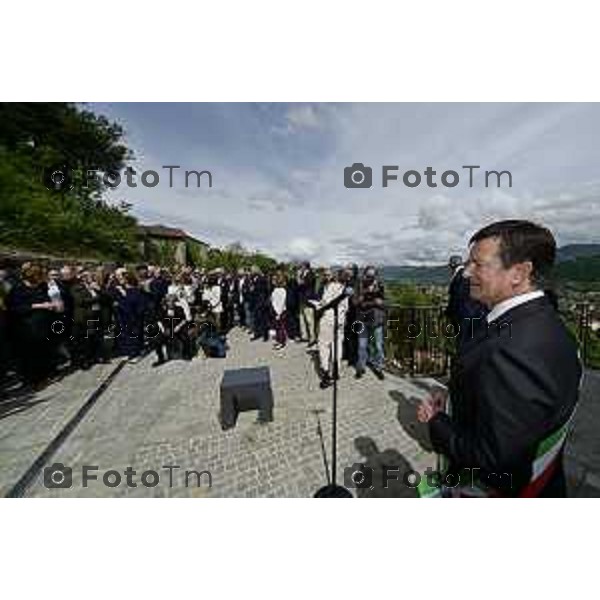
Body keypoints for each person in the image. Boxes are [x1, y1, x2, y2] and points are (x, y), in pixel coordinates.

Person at [417, 220, 582, 497]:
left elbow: (492, 460)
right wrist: (457, 394)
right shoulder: (547, 324)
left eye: (478, 264)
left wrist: (436, 421)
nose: (467, 272)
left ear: (519, 272)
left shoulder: (512, 351)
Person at [312, 269, 348, 389]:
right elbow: (345, 307)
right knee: (337, 345)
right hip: (341, 319)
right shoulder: (344, 288)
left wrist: (317, 305)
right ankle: (336, 370)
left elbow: (324, 303)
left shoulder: (330, 287)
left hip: (328, 319)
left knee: (323, 346)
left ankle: (326, 374)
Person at [445, 254, 487, 347]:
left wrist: (449, 312)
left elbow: (457, 297)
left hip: (464, 316)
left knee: (464, 343)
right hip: (473, 315)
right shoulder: (467, 273)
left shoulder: (461, 276)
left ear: (451, 265)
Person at [354, 266, 385, 380]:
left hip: (377, 318)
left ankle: (379, 367)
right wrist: (366, 293)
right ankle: (361, 367)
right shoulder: (360, 285)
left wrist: (379, 302)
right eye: (368, 276)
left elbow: (383, 302)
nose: (370, 279)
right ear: (364, 275)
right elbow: (355, 301)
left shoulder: (380, 285)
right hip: (363, 318)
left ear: (375, 276)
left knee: (378, 345)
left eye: (372, 276)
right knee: (362, 345)